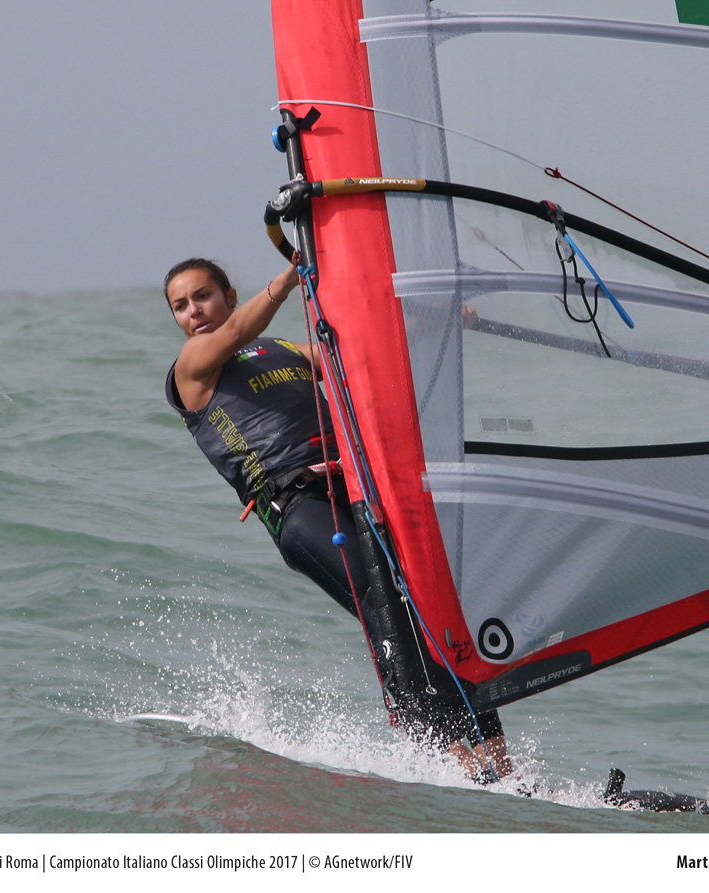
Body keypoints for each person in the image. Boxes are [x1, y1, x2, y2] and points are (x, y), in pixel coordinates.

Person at [163, 258, 511, 781]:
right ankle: (448, 759)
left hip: (356, 491)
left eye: (204, 296)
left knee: (437, 608)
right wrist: (289, 276)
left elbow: (355, 356)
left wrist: (433, 319)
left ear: (229, 295)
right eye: (181, 306)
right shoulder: (192, 368)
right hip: (299, 510)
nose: (195, 311)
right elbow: (237, 331)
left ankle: (500, 768)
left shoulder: (279, 349)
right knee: (386, 610)